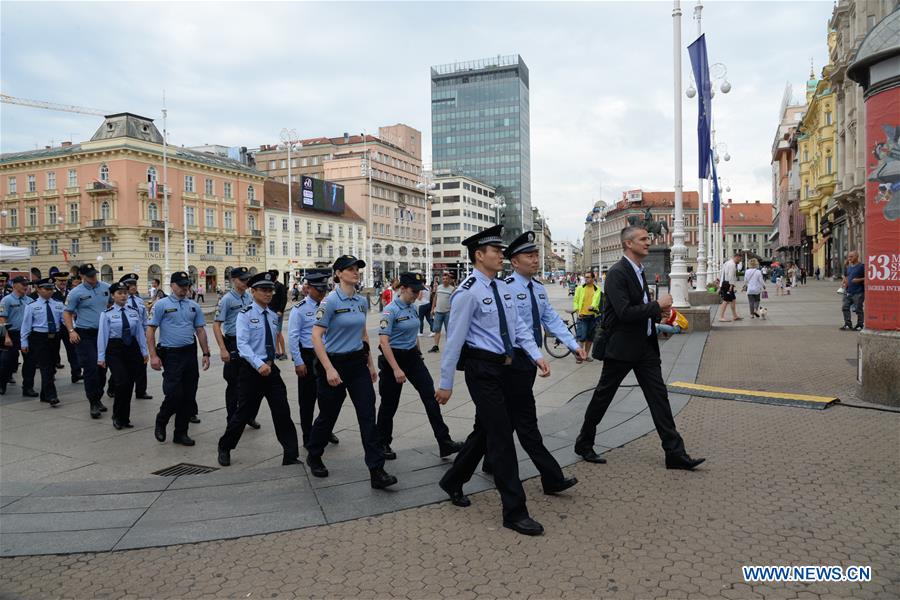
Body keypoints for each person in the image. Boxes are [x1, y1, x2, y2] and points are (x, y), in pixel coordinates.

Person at [436, 224, 551, 537]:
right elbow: (454, 341)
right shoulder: (467, 293)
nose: (502, 254)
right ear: (479, 255)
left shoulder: (503, 289)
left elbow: (520, 329)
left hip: (508, 368)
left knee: (486, 432)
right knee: (501, 436)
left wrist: (535, 354)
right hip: (482, 370)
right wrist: (446, 383)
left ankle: (452, 480)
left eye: (502, 250)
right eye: (496, 251)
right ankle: (515, 511)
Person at [574, 226, 705, 471]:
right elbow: (623, 313)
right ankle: (584, 442)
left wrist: (658, 316)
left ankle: (675, 453)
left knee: (659, 398)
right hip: (622, 348)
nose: (648, 242)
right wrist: (656, 305)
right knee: (604, 396)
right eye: (643, 239)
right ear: (628, 244)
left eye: (648, 238)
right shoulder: (617, 273)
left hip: (645, 347)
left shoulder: (638, 270)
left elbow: (639, 309)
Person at [490, 231, 584, 493]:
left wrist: (573, 345)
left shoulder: (539, 289)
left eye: (536, 254)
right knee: (525, 422)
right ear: (514, 262)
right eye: (529, 255)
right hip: (512, 361)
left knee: (501, 420)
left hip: (531, 360)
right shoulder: (506, 289)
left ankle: (474, 465)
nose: (535, 259)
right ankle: (551, 477)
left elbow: (551, 320)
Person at [305, 255, 398, 489]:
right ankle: (314, 454)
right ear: (338, 274)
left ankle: (377, 471)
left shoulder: (360, 301)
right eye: (350, 269)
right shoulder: (329, 303)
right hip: (334, 364)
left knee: (367, 415)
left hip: (357, 365)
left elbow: (363, 332)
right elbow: (316, 336)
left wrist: (370, 364)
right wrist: (328, 368)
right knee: (328, 415)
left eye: (357, 269)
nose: (355, 272)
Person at [217, 272, 302, 468]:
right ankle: (225, 446)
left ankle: (290, 454)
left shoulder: (272, 316)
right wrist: (259, 364)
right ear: (252, 291)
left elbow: (271, 342)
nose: (268, 293)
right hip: (251, 371)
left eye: (270, 290)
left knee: (282, 411)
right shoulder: (244, 315)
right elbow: (242, 344)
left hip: (271, 370)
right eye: (263, 290)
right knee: (243, 413)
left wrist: (270, 363)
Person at [376, 271, 463, 460]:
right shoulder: (390, 310)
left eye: (418, 292)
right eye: (413, 291)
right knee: (389, 404)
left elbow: (413, 334)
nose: (416, 295)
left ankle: (444, 442)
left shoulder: (412, 308)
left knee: (430, 397)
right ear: (403, 289)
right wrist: (396, 369)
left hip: (412, 358)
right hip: (393, 359)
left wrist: (418, 354)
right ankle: (382, 443)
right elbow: (384, 342)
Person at [147, 271, 211, 446]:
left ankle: (181, 433)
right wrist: (153, 356)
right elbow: (151, 330)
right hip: (170, 354)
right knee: (174, 394)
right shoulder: (161, 305)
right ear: (172, 285)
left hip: (189, 353)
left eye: (187, 285)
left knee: (189, 395)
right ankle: (162, 420)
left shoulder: (193, 306)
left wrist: (205, 353)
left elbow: (200, 330)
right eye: (181, 285)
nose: (184, 289)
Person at [287, 271, 340, 447]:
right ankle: (307, 435)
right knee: (307, 399)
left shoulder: (329, 305)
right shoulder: (299, 309)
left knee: (329, 397)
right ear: (308, 288)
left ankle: (324, 429)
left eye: (324, 289)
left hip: (327, 354)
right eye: (318, 290)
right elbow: (293, 337)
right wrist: (298, 361)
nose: (322, 293)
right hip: (308, 356)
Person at [212, 267, 260, 428]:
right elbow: (216, 325)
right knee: (233, 383)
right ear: (234, 280)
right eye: (242, 280)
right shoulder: (226, 299)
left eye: (247, 279)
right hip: (233, 342)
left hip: (249, 343)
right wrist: (222, 348)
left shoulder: (249, 297)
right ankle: (232, 419)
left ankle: (248, 415)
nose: (246, 282)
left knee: (251, 383)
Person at [97, 282, 149, 429]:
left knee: (129, 384)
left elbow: (139, 333)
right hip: (115, 350)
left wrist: (144, 352)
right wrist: (101, 357)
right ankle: (117, 416)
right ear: (112, 296)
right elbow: (102, 336)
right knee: (121, 382)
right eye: (119, 293)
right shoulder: (106, 314)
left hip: (132, 349)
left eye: (125, 293)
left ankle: (124, 418)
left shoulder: (133, 311)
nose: (123, 295)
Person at [62, 264, 111, 418]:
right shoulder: (76, 293)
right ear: (82, 276)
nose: (93, 278)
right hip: (85, 334)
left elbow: (111, 304)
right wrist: (71, 331)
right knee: (91, 368)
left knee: (103, 368)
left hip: (103, 334)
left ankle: (98, 396)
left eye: (94, 274)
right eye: (89, 275)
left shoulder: (106, 287)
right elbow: (67, 313)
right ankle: (93, 402)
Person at [19, 278, 64, 406]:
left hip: (54, 337)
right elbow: (26, 325)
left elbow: (65, 320)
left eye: (51, 289)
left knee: (52, 365)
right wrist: (24, 342)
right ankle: (52, 395)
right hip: (39, 338)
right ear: (38, 289)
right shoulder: (32, 306)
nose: (49, 292)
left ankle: (45, 394)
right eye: (46, 289)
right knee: (46, 367)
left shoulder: (58, 304)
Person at [0, 276, 37, 397]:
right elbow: (2, 319)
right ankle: (2, 384)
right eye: (23, 284)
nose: (26, 286)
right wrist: (6, 336)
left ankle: (28, 387)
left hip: (27, 334)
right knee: (7, 361)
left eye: (26, 284)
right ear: (14, 285)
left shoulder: (30, 300)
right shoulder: (7, 300)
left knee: (30, 362)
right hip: (11, 333)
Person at [119, 274, 153, 400]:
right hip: (125, 336)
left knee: (142, 362)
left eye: (135, 285)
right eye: (130, 285)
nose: (133, 287)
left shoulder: (139, 301)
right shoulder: (121, 300)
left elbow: (144, 319)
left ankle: (141, 390)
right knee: (123, 364)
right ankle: (114, 387)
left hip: (139, 337)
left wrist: (146, 332)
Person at [52, 272, 81, 382]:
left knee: (73, 350)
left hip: (68, 325)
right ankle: (51, 373)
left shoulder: (70, 292)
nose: (63, 283)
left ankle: (76, 373)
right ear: (56, 281)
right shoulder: (52, 292)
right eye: (60, 281)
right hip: (56, 326)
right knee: (54, 351)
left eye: (65, 281)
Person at [573, 271, 602, 362]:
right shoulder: (580, 288)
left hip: (593, 316)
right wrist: (578, 312)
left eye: (588, 277)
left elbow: (596, 301)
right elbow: (576, 301)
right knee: (582, 337)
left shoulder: (597, 289)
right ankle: (579, 356)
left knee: (590, 338)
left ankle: (585, 355)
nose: (586, 279)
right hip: (582, 316)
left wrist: (593, 307)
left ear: (593, 279)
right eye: (585, 277)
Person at [428, 271, 455, 353]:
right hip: (438, 312)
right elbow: (435, 298)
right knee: (437, 330)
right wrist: (432, 309)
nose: (445, 280)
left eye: (446, 279)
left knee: (449, 331)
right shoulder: (439, 287)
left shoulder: (453, 289)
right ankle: (436, 346)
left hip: (448, 312)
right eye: (443, 279)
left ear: (449, 280)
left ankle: (449, 347)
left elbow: (455, 301)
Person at [841, 250, 865, 331]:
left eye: (851, 256)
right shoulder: (849, 267)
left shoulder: (862, 266)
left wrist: (859, 280)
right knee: (845, 307)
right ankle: (848, 324)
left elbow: (868, 277)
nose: (849, 258)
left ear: (857, 257)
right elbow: (847, 276)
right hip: (848, 291)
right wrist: (844, 282)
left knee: (858, 309)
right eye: (849, 256)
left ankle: (860, 324)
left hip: (858, 292)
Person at [268, 269, 289, 360]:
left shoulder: (280, 286)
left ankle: (283, 352)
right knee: (273, 332)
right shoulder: (270, 286)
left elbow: (284, 299)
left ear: (276, 276)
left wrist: (281, 310)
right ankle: (277, 351)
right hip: (270, 311)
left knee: (278, 332)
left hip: (277, 312)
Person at [717, 253, 743, 322]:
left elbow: (722, 274)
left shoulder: (727, 263)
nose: (740, 261)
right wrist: (731, 285)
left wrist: (720, 285)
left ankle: (735, 316)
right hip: (728, 284)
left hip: (725, 283)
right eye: (740, 259)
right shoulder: (732, 264)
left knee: (733, 300)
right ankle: (721, 317)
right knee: (726, 300)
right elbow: (731, 275)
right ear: (736, 257)